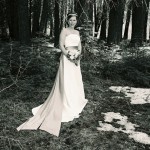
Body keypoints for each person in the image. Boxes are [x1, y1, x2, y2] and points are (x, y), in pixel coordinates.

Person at [17, 12, 88, 137]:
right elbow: (61, 45)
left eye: (74, 20)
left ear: (77, 21)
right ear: (67, 21)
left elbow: (79, 46)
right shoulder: (64, 31)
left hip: (76, 59)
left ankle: (75, 100)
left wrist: (78, 55)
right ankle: (65, 102)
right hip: (67, 59)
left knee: (75, 80)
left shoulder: (77, 32)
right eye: (71, 20)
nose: (72, 22)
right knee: (66, 80)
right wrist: (69, 56)